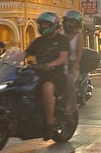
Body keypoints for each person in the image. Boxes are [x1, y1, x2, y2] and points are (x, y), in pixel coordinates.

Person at [25, 12, 69, 141]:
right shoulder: (39, 41)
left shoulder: (62, 40)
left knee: (47, 88)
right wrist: (8, 61)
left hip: (55, 75)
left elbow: (63, 57)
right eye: (41, 24)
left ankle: (49, 124)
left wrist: (51, 64)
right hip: (39, 73)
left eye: (46, 24)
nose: (43, 26)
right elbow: (25, 53)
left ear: (53, 25)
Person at [62, 10, 85, 114]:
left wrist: (74, 67)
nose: (69, 24)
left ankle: (70, 105)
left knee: (69, 80)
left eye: (71, 21)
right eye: (67, 21)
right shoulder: (60, 35)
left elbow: (79, 54)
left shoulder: (78, 36)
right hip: (61, 63)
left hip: (72, 63)